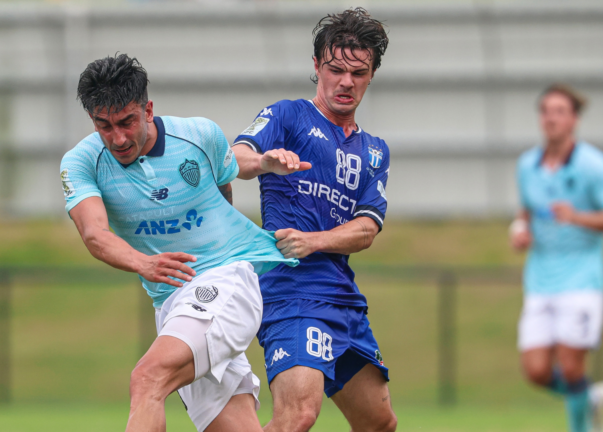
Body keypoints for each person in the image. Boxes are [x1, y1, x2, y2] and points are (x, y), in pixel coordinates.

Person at [61, 54, 298, 432]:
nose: (118, 137)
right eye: (104, 126)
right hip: (171, 303)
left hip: (225, 281)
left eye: (127, 122)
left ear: (148, 109)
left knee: (146, 379)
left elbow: (227, 180)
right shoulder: (81, 163)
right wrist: (144, 264)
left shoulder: (199, 135)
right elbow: (95, 234)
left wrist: (265, 164)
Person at [232, 8, 396, 432]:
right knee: (298, 416)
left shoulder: (374, 151)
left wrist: (315, 241)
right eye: (335, 69)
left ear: (372, 74)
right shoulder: (288, 117)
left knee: (380, 422)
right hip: (291, 292)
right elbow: (235, 157)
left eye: (358, 72)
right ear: (317, 67)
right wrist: (264, 161)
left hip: (342, 299)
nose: (345, 81)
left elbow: (367, 228)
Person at [510, 83, 603, 432]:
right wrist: (520, 229)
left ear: (573, 120)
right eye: (546, 111)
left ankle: (583, 426)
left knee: (572, 368)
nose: (551, 118)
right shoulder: (528, 165)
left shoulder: (593, 165)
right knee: (536, 371)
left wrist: (577, 217)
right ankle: (591, 399)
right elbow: (526, 209)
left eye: (560, 111)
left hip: (581, 279)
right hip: (540, 280)